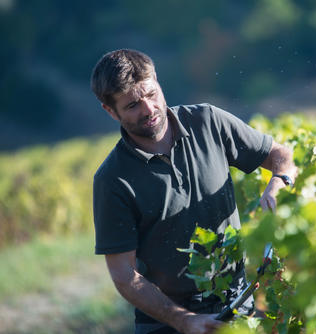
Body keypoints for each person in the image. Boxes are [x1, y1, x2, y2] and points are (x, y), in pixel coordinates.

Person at [90, 49, 298, 334]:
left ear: (158, 82)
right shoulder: (112, 179)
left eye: (151, 94)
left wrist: (280, 180)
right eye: (132, 105)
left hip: (239, 304)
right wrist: (183, 320)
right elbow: (124, 276)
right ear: (110, 111)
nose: (149, 109)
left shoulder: (208, 122)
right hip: (164, 323)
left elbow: (281, 155)